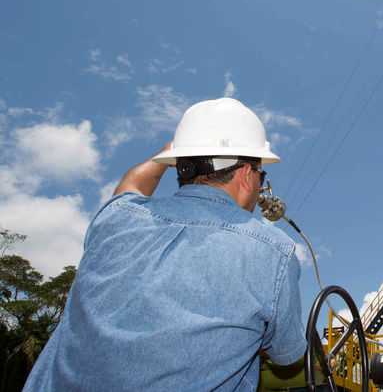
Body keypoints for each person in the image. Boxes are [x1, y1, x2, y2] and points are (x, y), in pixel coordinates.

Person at [25, 98, 306, 391]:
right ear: (246, 175)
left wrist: (178, 149)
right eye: (262, 175)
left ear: (180, 165)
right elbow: (287, 357)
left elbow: (130, 185)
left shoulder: (117, 218)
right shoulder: (273, 251)